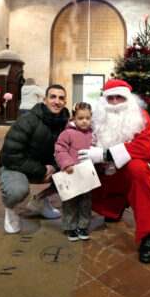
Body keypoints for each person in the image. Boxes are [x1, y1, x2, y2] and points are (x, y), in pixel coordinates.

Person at [78, 79, 150, 264]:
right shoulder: (97, 118)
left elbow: (143, 149)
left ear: (129, 99)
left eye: (120, 97)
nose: (116, 102)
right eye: (111, 98)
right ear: (104, 101)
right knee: (79, 171)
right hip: (106, 173)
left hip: (129, 172)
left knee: (138, 170)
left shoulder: (141, 117)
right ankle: (113, 207)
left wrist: (104, 153)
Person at [0, 84, 70, 234]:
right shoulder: (28, 120)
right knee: (17, 190)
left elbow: (70, 151)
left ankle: (40, 200)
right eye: (53, 97)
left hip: (46, 168)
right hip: (15, 166)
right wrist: (42, 169)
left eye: (61, 98)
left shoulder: (66, 124)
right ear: (44, 100)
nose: (57, 101)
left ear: (65, 102)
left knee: (77, 172)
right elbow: (10, 155)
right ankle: (11, 209)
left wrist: (55, 167)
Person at [55, 102, 93, 242]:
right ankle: (70, 227)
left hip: (86, 174)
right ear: (74, 118)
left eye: (87, 118)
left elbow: (96, 151)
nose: (84, 121)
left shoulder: (92, 134)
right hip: (70, 173)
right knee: (70, 201)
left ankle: (83, 226)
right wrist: (67, 163)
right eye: (81, 118)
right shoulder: (67, 133)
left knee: (85, 202)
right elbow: (60, 149)